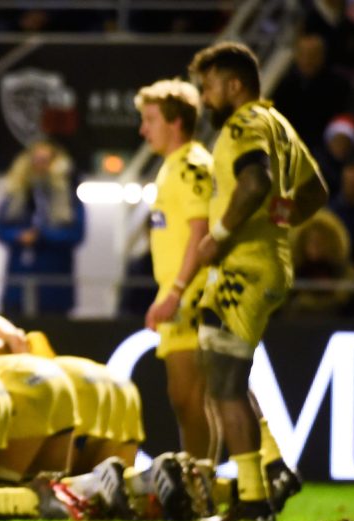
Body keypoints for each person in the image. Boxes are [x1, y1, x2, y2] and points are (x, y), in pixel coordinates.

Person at [189, 42, 328, 521]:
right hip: (267, 261)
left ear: (234, 85)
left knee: (224, 382)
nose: (204, 98)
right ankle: (268, 473)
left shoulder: (244, 123)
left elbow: (254, 182)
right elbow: (316, 190)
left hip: (243, 266)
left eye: (208, 88)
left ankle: (253, 500)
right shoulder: (279, 123)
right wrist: (283, 221)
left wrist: (219, 236)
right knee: (224, 374)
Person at [134, 79, 216, 460]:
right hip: (178, 289)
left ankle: (204, 480)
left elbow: (201, 232)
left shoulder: (191, 166)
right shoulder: (172, 167)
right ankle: (203, 479)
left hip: (194, 292)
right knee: (188, 397)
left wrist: (177, 291)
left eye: (150, 119)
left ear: (176, 122)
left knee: (192, 396)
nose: (143, 129)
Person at [0, 140, 85, 316]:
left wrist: (43, 235)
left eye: (45, 160)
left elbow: (76, 234)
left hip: (54, 286)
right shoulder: (16, 195)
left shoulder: (68, 199)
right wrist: (19, 236)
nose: (40, 166)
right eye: (36, 160)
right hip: (18, 284)